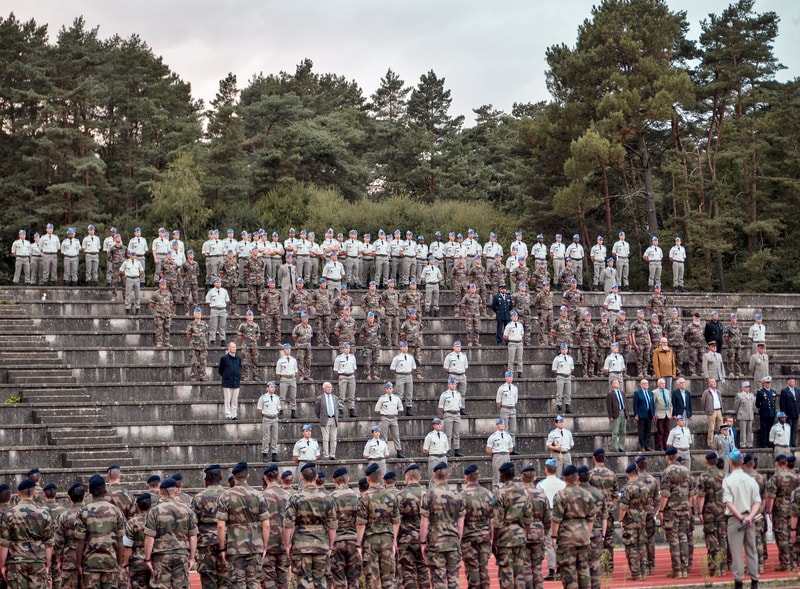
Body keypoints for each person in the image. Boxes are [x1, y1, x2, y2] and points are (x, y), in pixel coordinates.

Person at [284, 462, 336, 589]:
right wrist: (330, 546)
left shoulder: (295, 498)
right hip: (321, 544)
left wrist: (287, 544)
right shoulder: (327, 498)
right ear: (316, 476)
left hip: (301, 545)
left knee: (303, 581)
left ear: (302, 477)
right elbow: (333, 525)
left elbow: (288, 525)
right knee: (321, 581)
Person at [217, 462, 270, 586]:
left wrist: (222, 547)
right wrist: (264, 546)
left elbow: (220, 526)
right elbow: (266, 525)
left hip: (234, 546)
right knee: (253, 582)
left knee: (237, 582)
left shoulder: (225, 496)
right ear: (248, 476)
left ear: (234, 477)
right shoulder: (259, 496)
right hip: (255, 545)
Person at [142, 478, 198, 587]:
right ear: (176, 491)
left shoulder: (154, 511)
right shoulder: (187, 510)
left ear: (161, 491)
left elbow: (149, 538)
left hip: (161, 555)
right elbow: (193, 537)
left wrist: (147, 559)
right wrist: (192, 558)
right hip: (181, 554)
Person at [419, 462, 465, 589]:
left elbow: (424, 522)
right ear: (448, 475)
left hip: (435, 542)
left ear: (434, 476)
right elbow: (461, 523)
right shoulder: (457, 495)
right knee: (454, 578)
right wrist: (458, 540)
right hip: (453, 540)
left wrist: (423, 542)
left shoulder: (428, 495)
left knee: (438, 579)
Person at [0, 478, 53, 586]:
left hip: (16, 562)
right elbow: (49, 543)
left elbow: (4, 543)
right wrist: (47, 564)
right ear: (34, 493)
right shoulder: (44, 514)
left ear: (19, 493)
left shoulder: (9, 514)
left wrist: (2, 565)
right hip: (38, 561)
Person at [551, 464, 596, 589]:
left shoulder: (561, 495)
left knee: (568, 570)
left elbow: (556, 519)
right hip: (583, 533)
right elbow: (591, 517)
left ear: (565, 478)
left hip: (567, 536)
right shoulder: (587, 494)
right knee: (584, 568)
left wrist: (554, 536)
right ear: (577, 478)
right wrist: (587, 533)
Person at [356, 462, 400, 588]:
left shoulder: (364, 497)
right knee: (389, 578)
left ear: (367, 478)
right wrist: (394, 540)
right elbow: (396, 521)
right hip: (387, 538)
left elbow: (361, 523)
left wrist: (358, 543)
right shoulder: (391, 495)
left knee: (372, 579)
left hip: (370, 540)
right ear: (381, 478)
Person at [492, 462, 533, 589]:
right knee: (519, 572)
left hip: (505, 536)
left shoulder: (500, 493)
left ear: (502, 476)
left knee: (506, 572)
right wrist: (524, 535)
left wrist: (494, 542)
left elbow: (497, 521)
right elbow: (528, 518)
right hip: (519, 534)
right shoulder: (524, 492)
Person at [724, 449, 761, 589]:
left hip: (735, 518)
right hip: (749, 516)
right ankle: (754, 581)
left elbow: (728, 502)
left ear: (731, 462)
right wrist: (750, 517)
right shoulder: (750, 480)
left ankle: (738, 582)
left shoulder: (728, 480)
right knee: (752, 550)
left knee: (736, 552)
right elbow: (757, 501)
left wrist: (741, 518)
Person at [189, 464, 228, 589]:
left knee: (208, 581)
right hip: (226, 541)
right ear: (220, 478)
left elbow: (192, 523)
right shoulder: (228, 495)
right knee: (226, 580)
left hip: (205, 543)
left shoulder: (199, 497)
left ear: (207, 479)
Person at [659, 447, 692, 578]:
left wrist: (661, 510)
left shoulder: (667, 472)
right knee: (683, 537)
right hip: (684, 508)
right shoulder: (686, 470)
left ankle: (677, 569)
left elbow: (665, 494)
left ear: (667, 457)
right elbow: (691, 492)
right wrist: (688, 506)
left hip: (672, 509)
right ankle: (684, 568)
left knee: (673, 539)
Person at [460, 464, 493, 589]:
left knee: (472, 567)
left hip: (468, 536)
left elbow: (460, 520)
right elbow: (493, 519)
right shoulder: (488, 494)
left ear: (466, 477)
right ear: (478, 476)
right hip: (484, 535)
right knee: (484, 567)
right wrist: (492, 538)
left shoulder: (462, 495)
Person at [696, 451, 728, 578]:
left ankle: (714, 566)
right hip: (722, 511)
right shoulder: (724, 475)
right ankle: (723, 567)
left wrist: (699, 512)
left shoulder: (704, 477)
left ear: (706, 462)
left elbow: (701, 496)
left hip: (709, 512)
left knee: (711, 540)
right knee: (722, 539)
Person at [329, 466, 361, 589]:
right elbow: (361, 520)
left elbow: (329, 522)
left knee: (338, 580)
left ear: (334, 481)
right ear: (347, 479)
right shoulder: (356, 496)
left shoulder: (331, 497)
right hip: (353, 539)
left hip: (337, 541)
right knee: (353, 579)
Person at [618, 463, 650, 581]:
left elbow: (623, 507)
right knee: (641, 545)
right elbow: (647, 506)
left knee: (631, 547)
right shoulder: (645, 487)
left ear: (628, 474)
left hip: (630, 520)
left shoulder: (627, 488)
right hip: (641, 519)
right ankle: (643, 572)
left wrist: (621, 519)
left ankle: (636, 573)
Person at [765, 454, 794, 571]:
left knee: (782, 537)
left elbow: (771, 497)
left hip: (780, 510)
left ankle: (785, 562)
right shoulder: (795, 477)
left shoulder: (775, 478)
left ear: (777, 463)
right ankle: (793, 560)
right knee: (791, 536)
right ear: (786, 463)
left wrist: (769, 511)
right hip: (792, 509)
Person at [438, 377, 464, 458]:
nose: (453, 385)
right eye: (452, 384)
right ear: (448, 385)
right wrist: (446, 413)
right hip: (448, 413)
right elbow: (441, 407)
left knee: (457, 433)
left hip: (456, 414)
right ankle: (448, 449)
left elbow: (460, 405)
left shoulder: (458, 394)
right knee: (448, 434)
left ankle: (457, 449)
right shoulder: (444, 395)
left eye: (455, 384)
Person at [314, 381, 340, 461]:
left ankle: (332, 454)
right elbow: (317, 411)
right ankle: (326, 455)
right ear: (324, 388)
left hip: (334, 419)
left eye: (330, 387)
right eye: (327, 387)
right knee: (325, 438)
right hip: (325, 419)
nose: (329, 389)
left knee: (333, 439)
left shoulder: (335, 398)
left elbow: (337, 408)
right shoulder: (320, 398)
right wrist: (321, 417)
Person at [257, 381, 282, 462]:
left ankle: (274, 454)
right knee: (266, 437)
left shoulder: (276, 397)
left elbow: (279, 408)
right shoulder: (263, 398)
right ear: (267, 388)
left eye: (274, 387)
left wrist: (275, 413)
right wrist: (265, 415)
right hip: (267, 418)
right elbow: (259, 409)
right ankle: (265, 453)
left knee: (275, 436)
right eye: (271, 387)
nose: (273, 389)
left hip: (274, 418)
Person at [486, 418, 514, 491]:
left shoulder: (508, 435)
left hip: (506, 455)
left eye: (503, 424)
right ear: (497, 425)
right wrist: (495, 455)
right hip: (497, 455)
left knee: (508, 473)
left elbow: (511, 448)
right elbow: (489, 450)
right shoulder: (493, 436)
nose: (502, 425)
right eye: (501, 424)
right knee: (496, 475)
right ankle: (495, 492)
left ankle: (508, 490)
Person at [442, 340, 469, 414]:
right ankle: (454, 408)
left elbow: (466, 367)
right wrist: (453, 372)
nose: (458, 348)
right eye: (457, 346)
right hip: (453, 375)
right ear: (453, 347)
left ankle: (462, 408)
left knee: (462, 393)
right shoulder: (449, 356)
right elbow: (446, 368)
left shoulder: (463, 356)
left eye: (459, 346)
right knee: (452, 392)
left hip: (462, 375)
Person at [390, 342, 416, 418]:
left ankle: (409, 409)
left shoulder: (410, 357)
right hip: (400, 375)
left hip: (408, 375)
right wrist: (399, 372)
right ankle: (398, 409)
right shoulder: (397, 358)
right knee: (399, 393)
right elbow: (393, 368)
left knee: (409, 393)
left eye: (406, 346)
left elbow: (413, 367)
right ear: (400, 348)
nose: (405, 348)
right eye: (403, 347)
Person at [218, 342, 242, 421]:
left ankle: (234, 414)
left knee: (235, 400)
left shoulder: (238, 358)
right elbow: (220, 370)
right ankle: (228, 414)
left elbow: (239, 367)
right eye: (232, 347)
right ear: (229, 348)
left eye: (235, 347)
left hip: (236, 382)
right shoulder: (224, 358)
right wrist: (226, 376)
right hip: (227, 382)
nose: (234, 349)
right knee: (227, 400)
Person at [206, 276, 231, 347]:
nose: (218, 283)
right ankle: (212, 340)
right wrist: (214, 305)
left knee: (222, 326)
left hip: (222, 310)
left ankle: (223, 340)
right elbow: (207, 301)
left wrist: (222, 305)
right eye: (217, 282)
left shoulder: (224, 291)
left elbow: (227, 300)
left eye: (219, 282)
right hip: (214, 309)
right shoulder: (211, 292)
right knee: (213, 326)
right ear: (214, 283)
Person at [276, 344, 299, 420]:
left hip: (292, 378)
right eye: (286, 349)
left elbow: (295, 371)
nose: (288, 350)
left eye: (289, 349)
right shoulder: (280, 361)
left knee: (293, 396)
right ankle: (281, 411)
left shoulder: (293, 360)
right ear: (283, 350)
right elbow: (278, 373)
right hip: (284, 378)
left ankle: (293, 411)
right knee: (282, 396)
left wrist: (293, 377)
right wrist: (283, 377)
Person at [149, 279, 174, 349]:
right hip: (159, 314)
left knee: (167, 329)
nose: (163, 285)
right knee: (159, 329)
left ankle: (166, 342)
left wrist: (167, 309)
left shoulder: (169, 294)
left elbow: (171, 304)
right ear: (159, 285)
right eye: (162, 284)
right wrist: (158, 309)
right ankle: (159, 343)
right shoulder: (155, 294)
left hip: (167, 314)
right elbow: (151, 304)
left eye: (164, 284)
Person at [333, 342, 357, 416]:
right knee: (342, 395)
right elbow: (336, 370)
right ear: (343, 349)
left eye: (348, 348)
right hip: (343, 376)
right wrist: (341, 374)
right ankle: (341, 410)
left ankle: (351, 410)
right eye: (345, 348)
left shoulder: (352, 357)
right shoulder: (339, 358)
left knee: (352, 395)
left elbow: (354, 368)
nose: (347, 350)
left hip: (351, 376)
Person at [120, 249, 145, 315]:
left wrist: (137, 274)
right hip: (129, 279)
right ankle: (127, 308)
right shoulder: (126, 262)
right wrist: (126, 274)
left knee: (137, 294)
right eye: (132, 255)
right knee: (128, 294)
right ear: (129, 255)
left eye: (134, 255)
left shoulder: (138, 262)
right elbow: (121, 270)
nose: (133, 256)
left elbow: (142, 270)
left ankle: (137, 308)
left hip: (136, 279)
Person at [552, 343, 575, 414]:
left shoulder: (570, 358)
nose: (564, 351)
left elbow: (572, 368)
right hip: (560, 376)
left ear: (567, 350)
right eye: (563, 349)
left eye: (565, 349)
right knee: (559, 393)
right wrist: (560, 373)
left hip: (568, 376)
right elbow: (554, 369)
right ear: (560, 350)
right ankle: (559, 407)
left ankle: (568, 407)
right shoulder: (557, 358)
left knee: (568, 393)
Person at [633, 379, 655, 451]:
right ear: (641, 385)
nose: (646, 385)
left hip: (649, 414)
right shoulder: (637, 393)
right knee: (641, 431)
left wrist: (653, 414)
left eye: (647, 383)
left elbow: (652, 404)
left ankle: (647, 445)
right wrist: (636, 414)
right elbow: (635, 405)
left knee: (648, 431)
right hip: (641, 414)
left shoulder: (650, 393)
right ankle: (642, 446)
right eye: (644, 383)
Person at [606, 378, 628, 452]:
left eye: (618, 382)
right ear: (612, 385)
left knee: (623, 431)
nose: (617, 383)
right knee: (615, 431)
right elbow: (609, 406)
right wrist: (610, 416)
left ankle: (621, 446)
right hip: (616, 413)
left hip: (623, 412)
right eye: (615, 382)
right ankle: (615, 447)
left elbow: (626, 404)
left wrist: (627, 414)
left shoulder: (622, 393)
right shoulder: (610, 394)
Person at [702, 378, 725, 447]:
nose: (714, 383)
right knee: (711, 428)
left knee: (721, 427)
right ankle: (711, 443)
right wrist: (707, 410)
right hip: (711, 411)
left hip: (719, 410)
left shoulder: (718, 392)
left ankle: (721, 442)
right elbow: (703, 402)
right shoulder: (706, 392)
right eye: (712, 382)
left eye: (715, 382)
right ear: (709, 384)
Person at [755, 376, 777, 448]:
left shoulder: (773, 392)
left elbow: (774, 402)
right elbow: (758, 403)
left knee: (771, 428)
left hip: (771, 413)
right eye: (767, 383)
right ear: (764, 383)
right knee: (764, 428)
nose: (768, 384)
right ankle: (764, 443)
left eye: (769, 383)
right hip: (764, 413)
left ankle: (770, 442)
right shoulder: (761, 392)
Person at [497, 371, 519, 437]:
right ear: (505, 378)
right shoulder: (502, 388)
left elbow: (515, 400)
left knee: (513, 429)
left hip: (512, 408)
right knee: (504, 428)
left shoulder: (515, 388)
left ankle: (512, 444)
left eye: (511, 377)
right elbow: (498, 401)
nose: (510, 378)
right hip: (505, 408)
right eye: (509, 377)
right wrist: (502, 408)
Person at [653, 377, 673, 451]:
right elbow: (653, 404)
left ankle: (665, 445)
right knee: (660, 430)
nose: (663, 385)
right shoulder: (655, 392)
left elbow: (670, 403)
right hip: (659, 413)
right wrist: (654, 413)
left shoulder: (667, 391)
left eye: (664, 383)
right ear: (658, 384)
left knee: (667, 430)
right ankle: (660, 445)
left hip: (667, 413)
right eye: (662, 383)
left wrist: (670, 412)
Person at [779, 376, 800, 446]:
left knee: (794, 429)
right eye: (791, 381)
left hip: (796, 413)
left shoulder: (797, 391)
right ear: (788, 383)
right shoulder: (784, 391)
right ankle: (788, 442)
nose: (793, 383)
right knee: (788, 429)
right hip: (788, 414)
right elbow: (782, 403)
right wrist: (784, 413)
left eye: (794, 381)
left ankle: (793, 442)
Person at [735, 381, 756, 449]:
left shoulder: (751, 395)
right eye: (746, 387)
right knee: (743, 431)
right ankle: (743, 444)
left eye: (748, 387)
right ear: (743, 388)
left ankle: (749, 443)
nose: (747, 388)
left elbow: (753, 406)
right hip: (742, 415)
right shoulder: (739, 395)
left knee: (749, 430)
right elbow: (736, 406)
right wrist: (738, 413)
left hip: (750, 415)